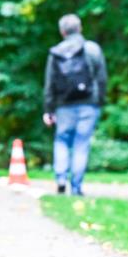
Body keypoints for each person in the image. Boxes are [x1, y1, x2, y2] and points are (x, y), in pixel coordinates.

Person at [42, 14, 107, 196]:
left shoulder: (56, 53)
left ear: (62, 32)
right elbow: (102, 79)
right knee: (81, 143)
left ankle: (61, 180)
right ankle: (76, 187)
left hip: (64, 106)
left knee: (61, 140)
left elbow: (50, 84)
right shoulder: (92, 49)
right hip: (89, 104)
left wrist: (48, 109)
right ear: (80, 28)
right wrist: (99, 101)